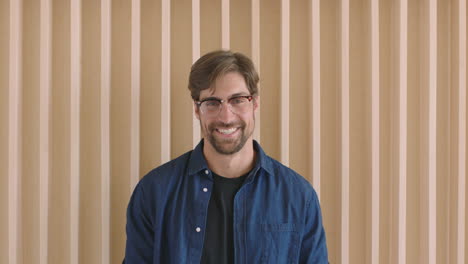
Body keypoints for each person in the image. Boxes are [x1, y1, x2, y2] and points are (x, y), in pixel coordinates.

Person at [123, 50, 328, 263]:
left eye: (237, 100)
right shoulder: (154, 192)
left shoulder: (298, 196)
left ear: (255, 103)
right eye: (212, 102)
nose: (226, 117)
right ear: (196, 109)